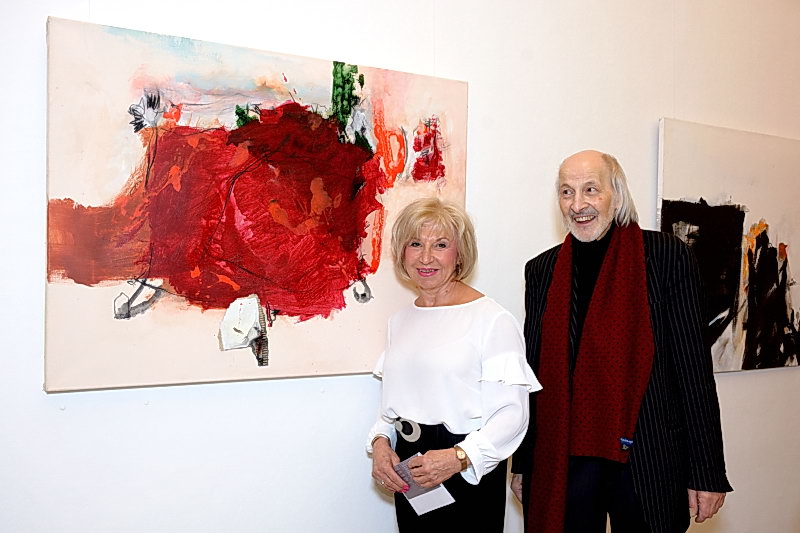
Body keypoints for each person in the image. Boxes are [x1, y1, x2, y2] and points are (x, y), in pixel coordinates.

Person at [510, 150, 732, 533]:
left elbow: (693, 372)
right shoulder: (542, 270)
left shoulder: (666, 258)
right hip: (565, 458)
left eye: (590, 189)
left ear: (616, 194)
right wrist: (526, 464)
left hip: (647, 456)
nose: (577, 204)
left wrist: (706, 471)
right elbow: (533, 378)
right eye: (566, 191)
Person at [368, 197, 541, 532]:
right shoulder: (399, 321)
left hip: (465, 468)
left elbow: (513, 416)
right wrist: (380, 443)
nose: (426, 257)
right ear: (402, 252)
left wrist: (458, 457)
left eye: (441, 245)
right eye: (415, 244)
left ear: (460, 254)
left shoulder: (492, 319)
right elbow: (391, 404)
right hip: (410, 468)